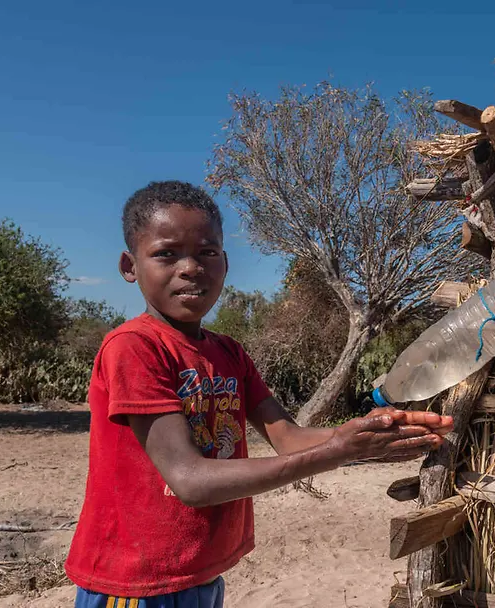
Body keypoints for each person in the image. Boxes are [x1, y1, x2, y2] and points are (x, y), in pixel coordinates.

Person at [64, 181, 452, 608]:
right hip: (134, 583)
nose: (190, 267)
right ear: (130, 265)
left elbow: (288, 437)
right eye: (167, 253)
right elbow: (189, 480)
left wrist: (366, 435)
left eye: (207, 252)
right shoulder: (134, 347)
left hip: (198, 574)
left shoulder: (228, 353)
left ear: (225, 263)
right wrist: (337, 452)